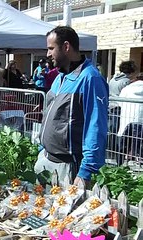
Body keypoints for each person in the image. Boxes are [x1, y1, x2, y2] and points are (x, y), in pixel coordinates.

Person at [34, 26, 109, 186]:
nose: (47, 54)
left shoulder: (90, 79)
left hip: (67, 167)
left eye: (51, 48)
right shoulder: (59, 78)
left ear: (66, 47)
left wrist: (86, 171)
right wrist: (42, 150)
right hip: (46, 160)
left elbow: (95, 127)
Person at [117, 73, 143, 162]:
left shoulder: (127, 88)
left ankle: (121, 160)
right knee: (139, 141)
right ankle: (138, 159)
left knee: (125, 140)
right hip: (140, 119)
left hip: (127, 118)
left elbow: (120, 102)